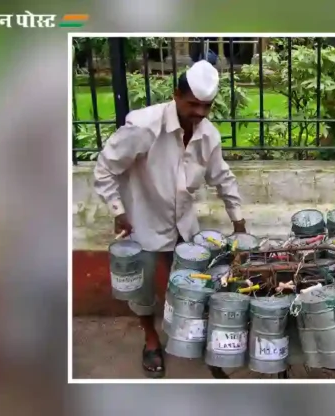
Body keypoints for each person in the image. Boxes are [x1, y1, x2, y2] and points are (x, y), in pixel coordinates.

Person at [93, 60, 246, 378]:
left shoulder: (208, 135)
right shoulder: (143, 127)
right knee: (143, 290)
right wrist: (118, 212)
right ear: (176, 95)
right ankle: (151, 340)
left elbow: (223, 178)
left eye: (207, 106)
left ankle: (198, 342)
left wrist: (239, 223)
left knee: (194, 287)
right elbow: (106, 168)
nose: (200, 113)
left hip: (185, 226)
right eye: (193, 104)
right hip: (143, 224)